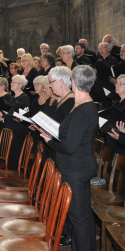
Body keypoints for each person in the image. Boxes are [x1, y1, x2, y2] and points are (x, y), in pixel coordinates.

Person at [40, 65, 98, 251]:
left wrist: (49, 141)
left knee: (78, 218)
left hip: (76, 168)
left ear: (73, 83)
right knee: (83, 216)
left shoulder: (83, 109)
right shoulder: (81, 105)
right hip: (77, 166)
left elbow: (70, 147)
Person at [104, 74, 125, 155]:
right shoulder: (116, 102)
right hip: (111, 141)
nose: (117, 85)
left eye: (121, 83)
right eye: (116, 83)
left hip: (121, 145)